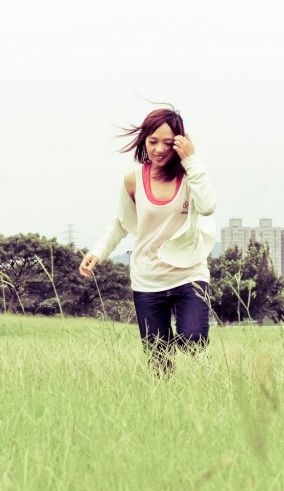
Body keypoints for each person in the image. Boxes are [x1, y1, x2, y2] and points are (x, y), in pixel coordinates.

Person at [79, 107, 218, 375]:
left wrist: (192, 160)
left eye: (168, 143)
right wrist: (98, 252)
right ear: (144, 140)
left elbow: (209, 206)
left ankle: (207, 377)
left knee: (193, 340)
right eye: (153, 141)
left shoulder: (191, 176)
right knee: (158, 359)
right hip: (148, 279)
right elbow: (120, 222)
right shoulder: (133, 180)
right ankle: (167, 407)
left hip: (189, 274)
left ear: (180, 142)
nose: (159, 149)